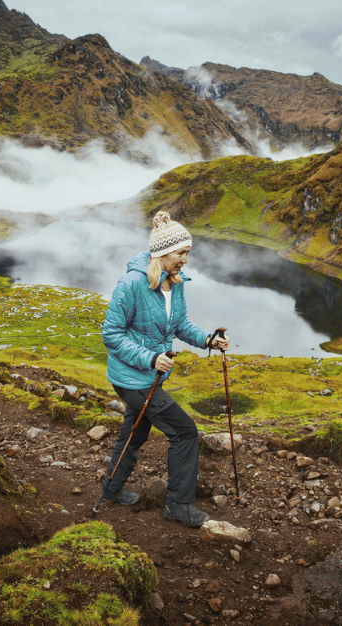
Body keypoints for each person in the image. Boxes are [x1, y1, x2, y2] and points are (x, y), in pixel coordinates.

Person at [98, 211, 230, 528]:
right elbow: (110, 334)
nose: (185, 259)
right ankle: (178, 506)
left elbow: (180, 324)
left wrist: (207, 340)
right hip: (131, 378)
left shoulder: (175, 282)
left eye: (187, 253)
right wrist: (149, 358)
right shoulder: (131, 284)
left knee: (136, 431)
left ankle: (111, 489)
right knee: (185, 432)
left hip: (149, 377)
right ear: (162, 252)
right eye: (181, 253)